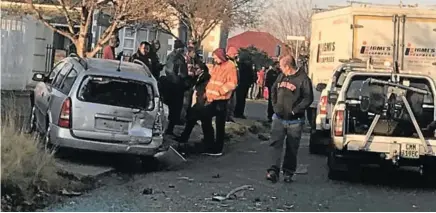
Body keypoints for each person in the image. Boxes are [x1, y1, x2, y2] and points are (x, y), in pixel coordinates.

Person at [266, 55, 313, 183]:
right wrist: (275, 106)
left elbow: (308, 98)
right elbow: (273, 90)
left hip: (295, 121)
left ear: (287, 66)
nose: (280, 69)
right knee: (275, 144)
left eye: (281, 66)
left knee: (292, 147)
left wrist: (295, 110)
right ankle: (273, 171)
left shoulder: (303, 79)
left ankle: (288, 172)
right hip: (279, 118)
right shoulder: (281, 77)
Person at [202, 48, 238, 156]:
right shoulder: (217, 66)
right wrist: (207, 93)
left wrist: (219, 92)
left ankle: (217, 148)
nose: (214, 59)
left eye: (215, 57)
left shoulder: (230, 66)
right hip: (212, 99)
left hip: (221, 100)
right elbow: (212, 81)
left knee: (219, 125)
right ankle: (209, 144)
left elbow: (232, 83)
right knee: (205, 118)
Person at [175, 66, 211, 143]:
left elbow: (202, 89)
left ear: (202, 70)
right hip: (196, 102)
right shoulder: (198, 77)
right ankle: (184, 138)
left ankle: (208, 140)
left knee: (203, 122)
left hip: (200, 102)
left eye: (197, 69)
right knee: (193, 121)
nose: (195, 70)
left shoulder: (205, 77)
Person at [163, 39, 189, 136]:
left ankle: (171, 128)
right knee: (173, 108)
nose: (182, 50)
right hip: (174, 87)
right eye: (181, 48)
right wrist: (178, 82)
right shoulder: (173, 57)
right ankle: (169, 129)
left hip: (178, 85)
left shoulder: (179, 57)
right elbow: (170, 72)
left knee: (176, 108)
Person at [226, 46, 240, 122]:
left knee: (233, 103)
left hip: (234, 85)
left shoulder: (234, 62)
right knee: (228, 103)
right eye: (235, 54)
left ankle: (229, 116)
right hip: (229, 85)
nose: (236, 56)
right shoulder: (228, 62)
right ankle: (226, 117)